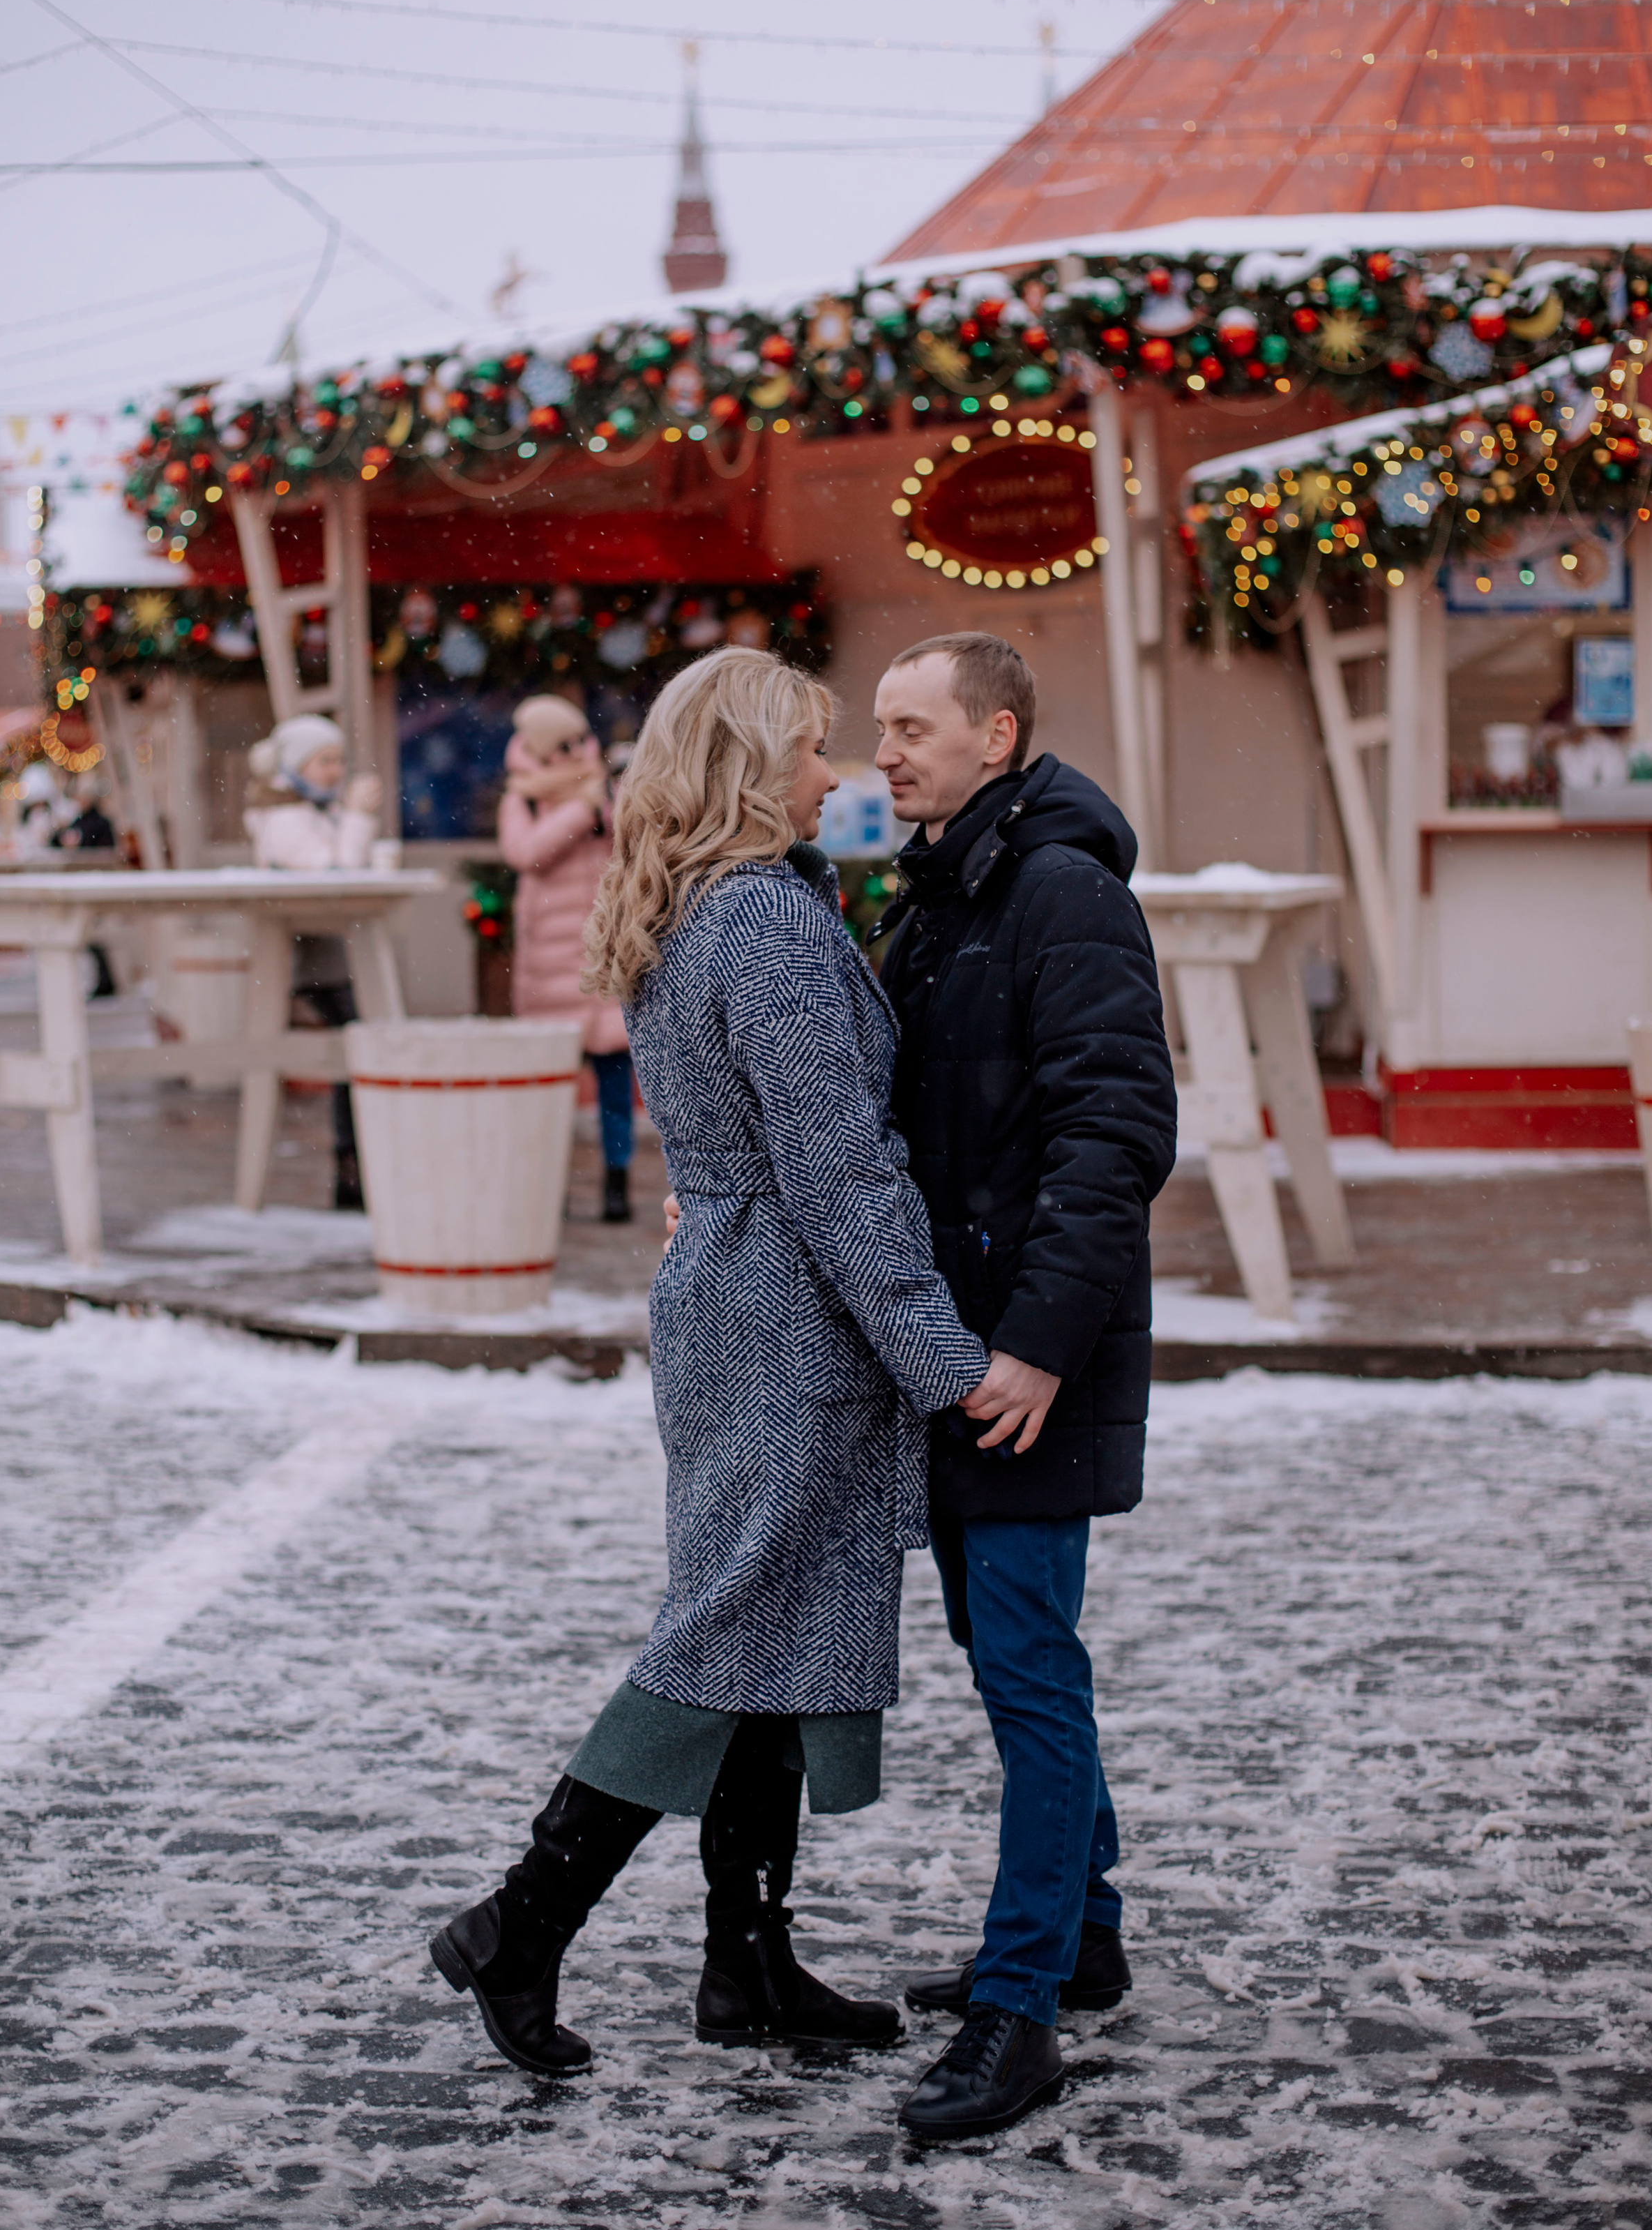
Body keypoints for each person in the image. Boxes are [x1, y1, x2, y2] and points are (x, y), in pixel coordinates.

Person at [429, 649, 992, 2083]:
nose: (834, 776)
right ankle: (522, 1920)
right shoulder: (767, 925)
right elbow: (838, 1176)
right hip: (788, 1319)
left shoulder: (702, 904)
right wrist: (941, 1357)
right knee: (727, 1633)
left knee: (767, 1634)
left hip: (738, 1298)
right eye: (809, 751)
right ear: (749, 767)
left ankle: (745, 1962)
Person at [871, 632, 1177, 2144]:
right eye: (877, 728)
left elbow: (1113, 1137)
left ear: (996, 736)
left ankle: (1020, 2010)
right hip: (959, 1348)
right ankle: (1085, 1934)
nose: (883, 753)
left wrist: (1041, 1345)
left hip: (1023, 1360)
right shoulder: (942, 892)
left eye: (912, 728)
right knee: (1008, 1656)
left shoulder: (1061, 892)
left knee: (1030, 1674)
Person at [497, 695, 636, 1224]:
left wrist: (616, 791)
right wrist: (583, 808)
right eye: (563, 746)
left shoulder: (605, 790)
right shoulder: (523, 799)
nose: (577, 752)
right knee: (549, 1095)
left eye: (581, 740)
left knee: (616, 1086)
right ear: (539, 751)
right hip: (550, 969)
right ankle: (548, 1186)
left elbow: (639, 832)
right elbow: (526, 852)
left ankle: (617, 1182)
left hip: (604, 959)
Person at [245, 713, 380, 1211]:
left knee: (356, 1050)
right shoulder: (285, 819)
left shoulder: (310, 811)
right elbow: (338, 875)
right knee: (358, 1048)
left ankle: (355, 1169)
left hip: (332, 958)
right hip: (314, 963)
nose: (335, 770)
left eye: (339, 760)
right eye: (325, 761)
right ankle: (353, 1168)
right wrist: (358, 817)